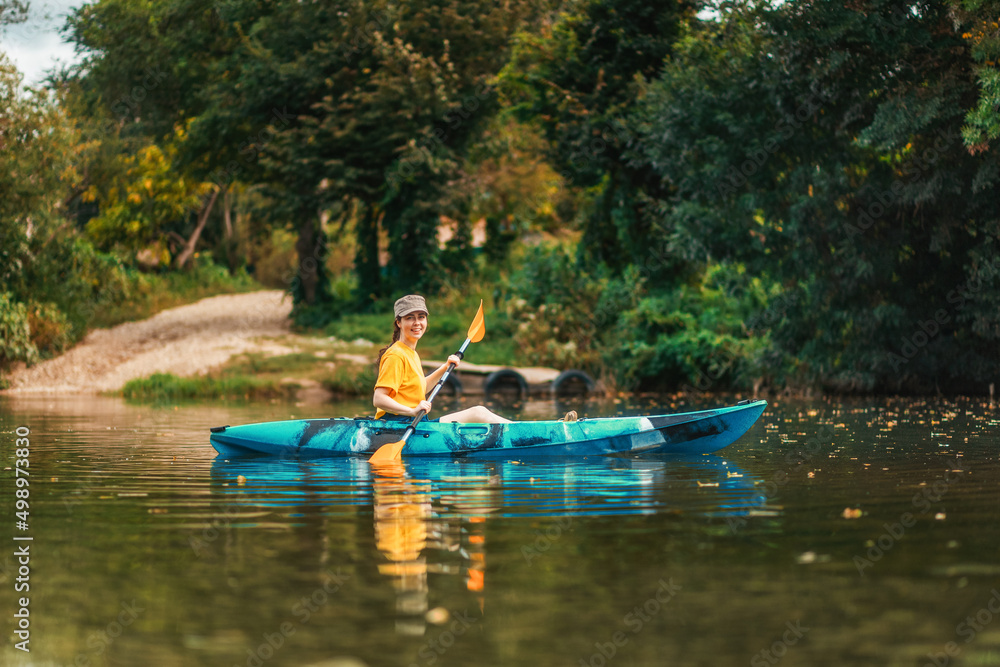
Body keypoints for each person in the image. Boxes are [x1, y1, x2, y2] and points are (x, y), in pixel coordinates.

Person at [373, 295, 512, 424]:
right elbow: (379, 399)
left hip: (417, 423)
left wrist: (445, 367)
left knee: (479, 412)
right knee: (478, 413)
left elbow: (421, 388)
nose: (417, 323)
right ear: (399, 323)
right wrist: (412, 411)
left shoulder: (411, 353)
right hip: (399, 425)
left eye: (421, 317)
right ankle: (529, 434)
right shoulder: (396, 355)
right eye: (410, 318)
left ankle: (526, 430)